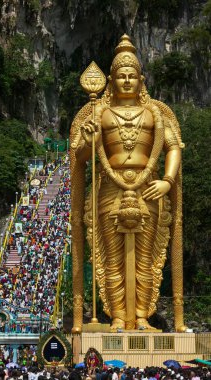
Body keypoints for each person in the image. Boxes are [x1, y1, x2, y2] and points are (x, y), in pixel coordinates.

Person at [71, 34, 187, 332]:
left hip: (149, 188)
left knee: (146, 258)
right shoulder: (99, 113)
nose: (126, 81)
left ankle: (142, 316)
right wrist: (87, 139)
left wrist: (167, 180)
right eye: (120, 76)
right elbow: (83, 158)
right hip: (110, 189)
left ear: (141, 79)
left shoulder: (155, 114)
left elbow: (173, 147)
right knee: (112, 257)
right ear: (110, 79)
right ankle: (118, 316)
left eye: (131, 76)